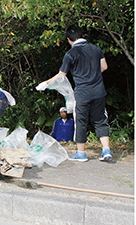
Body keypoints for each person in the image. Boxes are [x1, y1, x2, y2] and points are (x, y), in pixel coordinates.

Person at [43, 24, 112, 162]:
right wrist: (93, 75)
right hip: (99, 91)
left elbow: (61, 75)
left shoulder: (71, 54)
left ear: (69, 39)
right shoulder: (95, 48)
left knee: (81, 121)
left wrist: (46, 83)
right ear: (82, 35)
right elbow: (104, 66)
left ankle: (81, 153)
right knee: (100, 120)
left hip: (82, 93)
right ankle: (106, 150)